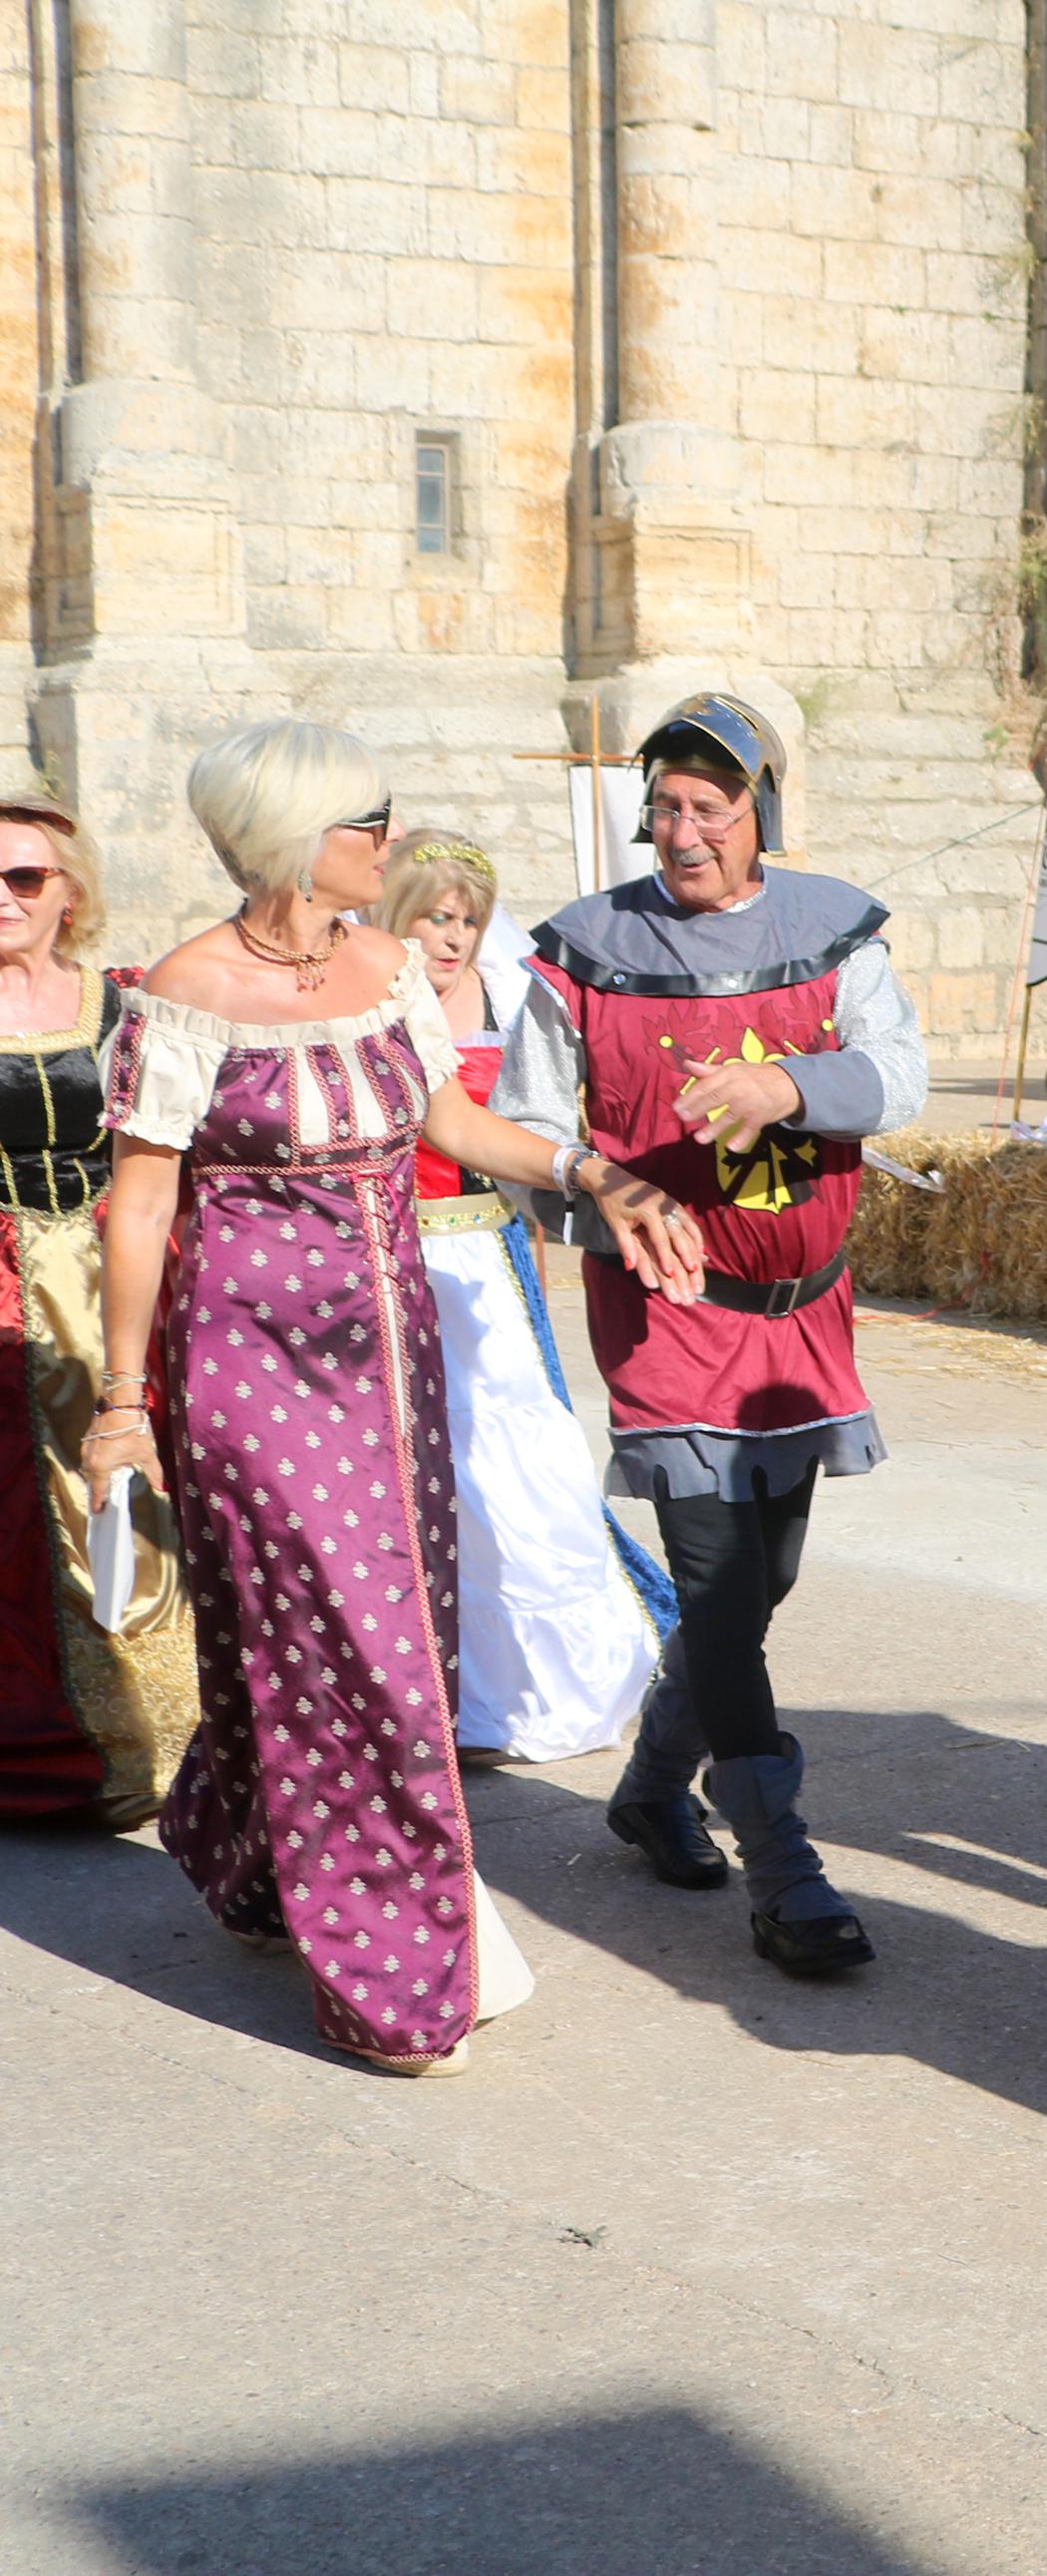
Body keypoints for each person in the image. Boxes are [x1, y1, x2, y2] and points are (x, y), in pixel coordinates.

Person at [95, 720, 704, 2075]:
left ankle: (249, 1857)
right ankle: (397, 1967)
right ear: (300, 834)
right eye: (369, 818)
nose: (389, 834)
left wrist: (592, 1173)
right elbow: (138, 1207)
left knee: (374, 1625)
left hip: (393, 1362)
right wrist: (119, 1403)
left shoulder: (383, 968)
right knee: (355, 1644)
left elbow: (456, 1126)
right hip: (245, 1363)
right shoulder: (186, 990)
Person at [495, 693, 927, 1979]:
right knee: (724, 1596)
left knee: (764, 1579)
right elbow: (523, 1126)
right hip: (671, 1323)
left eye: (710, 807)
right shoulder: (582, 951)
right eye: (666, 806)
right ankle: (785, 1874)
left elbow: (899, 1075)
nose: (682, 832)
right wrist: (595, 1183)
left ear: (759, 815)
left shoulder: (833, 930)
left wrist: (785, 1082)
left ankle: (647, 1784)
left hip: (803, 1323)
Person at [381, 832, 674, 1763]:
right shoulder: (372, 1003)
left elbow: (528, 1133)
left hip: (489, 1255)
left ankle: (553, 1674)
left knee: (523, 1452)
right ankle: (448, 1680)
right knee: (435, 1468)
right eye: (435, 915)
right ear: (399, 917)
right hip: (399, 1256)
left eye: (467, 918)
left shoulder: (508, 997)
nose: (453, 935)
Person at [0, 798, 196, 1826]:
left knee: (145, 1492)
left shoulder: (122, 1004)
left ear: (69, 891)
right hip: (4, 1296)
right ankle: (43, 1752)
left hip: (122, 1274)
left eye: (25, 878)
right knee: (18, 1519)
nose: (4, 897)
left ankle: (172, 1736)